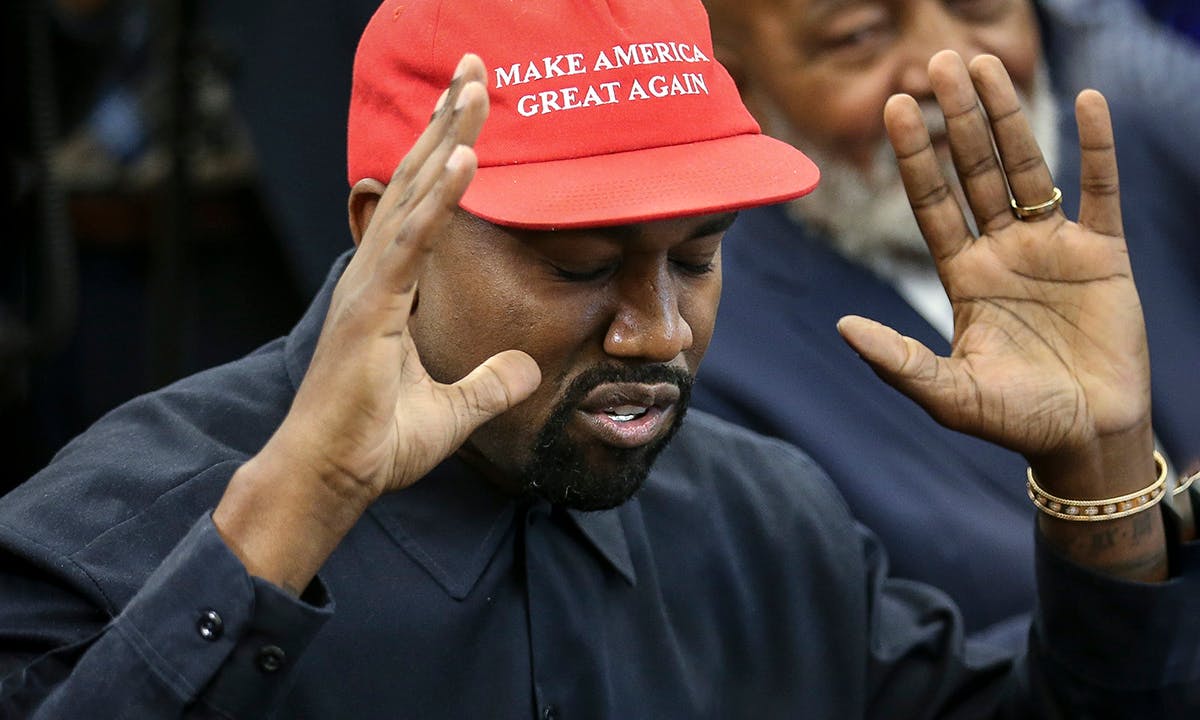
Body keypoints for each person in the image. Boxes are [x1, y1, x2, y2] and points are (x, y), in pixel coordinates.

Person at [2, 0, 1198, 716]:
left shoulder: (763, 523)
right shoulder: (110, 534)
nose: (658, 332)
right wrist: (283, 529)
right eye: (577, 267)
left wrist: (1102, 479)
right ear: (388, 230)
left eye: (696, 257)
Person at [693, 0, 1200, 650]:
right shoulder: (699, 344)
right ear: (735, 82)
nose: (947, 63)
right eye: (860, 36)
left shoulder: (1138, 156)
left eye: (982, 8)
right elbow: (870, 682)